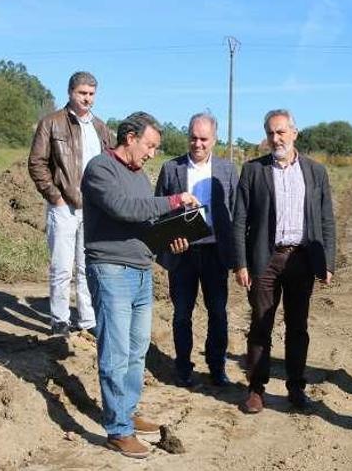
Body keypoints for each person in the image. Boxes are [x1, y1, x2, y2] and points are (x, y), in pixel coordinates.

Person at [82, 111, 199, 459]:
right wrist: (176, 200)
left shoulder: (138, 176)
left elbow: (145, 219)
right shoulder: (100, 169)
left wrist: (171, 236)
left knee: (136, 350)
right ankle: (118, 430)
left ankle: (128, 411)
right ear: (130, 137)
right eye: (149, 146)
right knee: (115, 353)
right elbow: (123, 208)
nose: (151, 154)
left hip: (140, 270)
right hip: (111, 270)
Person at [232, 109, 336, 414]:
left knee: (298, 327)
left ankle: (295, 388)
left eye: (280, 132)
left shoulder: (315, 172)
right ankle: (256, 389)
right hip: (265, 259)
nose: (275, 139)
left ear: (294, 133)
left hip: (301, 260)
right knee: (260, 324)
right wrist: (241, 263)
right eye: (270, 133)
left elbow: (326, 219)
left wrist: (327, 261)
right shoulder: (253, 171)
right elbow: (240, 220)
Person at [155, 112, 239, 388]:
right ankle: (182, 368)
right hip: (183, 252)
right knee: (182, 314)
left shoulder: (227, 170)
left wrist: (238, 256)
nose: (198, 144)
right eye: (193, 137)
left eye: (204, 139)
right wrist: (170, 240)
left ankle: (217, 368)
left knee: (218, 312)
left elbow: (236, 212)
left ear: (214, 140)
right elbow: (159, 210)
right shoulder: (171, 169)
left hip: (216, 251)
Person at [28, 71, 113, 337]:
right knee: (62, 267)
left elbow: (109, 164)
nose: (87, 99)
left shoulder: (100, 127)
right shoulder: (51, 123)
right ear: (70, 93)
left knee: (87, 266)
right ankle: (60, 320)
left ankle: (87, 319)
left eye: (91, 94)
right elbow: (37, 162)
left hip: (94, 208)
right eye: (82, 93)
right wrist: (55, 196)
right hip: (64, 206)